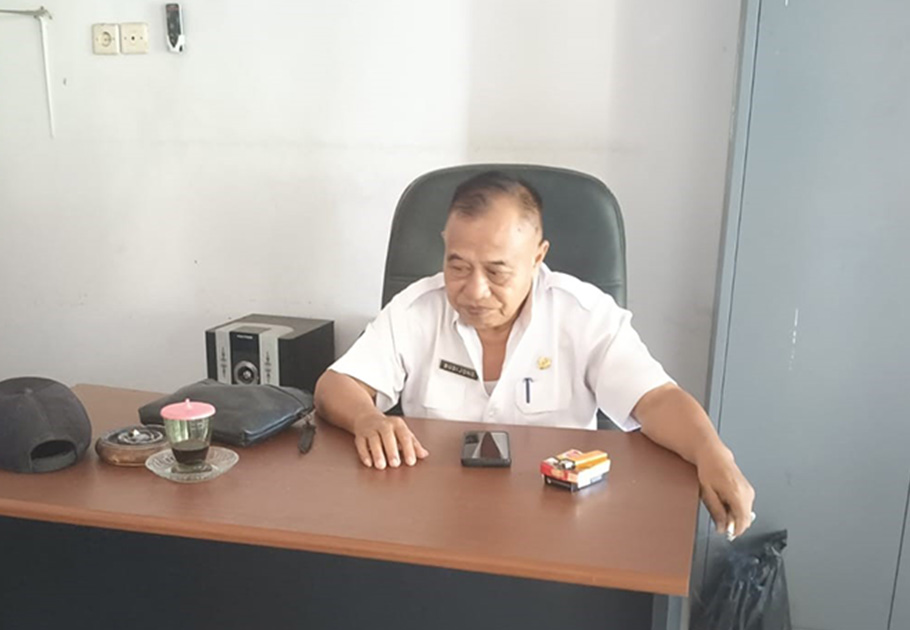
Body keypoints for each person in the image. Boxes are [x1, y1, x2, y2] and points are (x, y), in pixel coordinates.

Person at [315, 171, 756, 538]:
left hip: (558, 528)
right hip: (433, 523)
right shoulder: (417, 308)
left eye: (497, 271)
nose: (474, 291)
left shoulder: (583, 314)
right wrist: (367, 417)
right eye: (457, 266)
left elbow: (656, 399)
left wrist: (711, 452)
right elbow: (337, 384)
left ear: (537, 257)